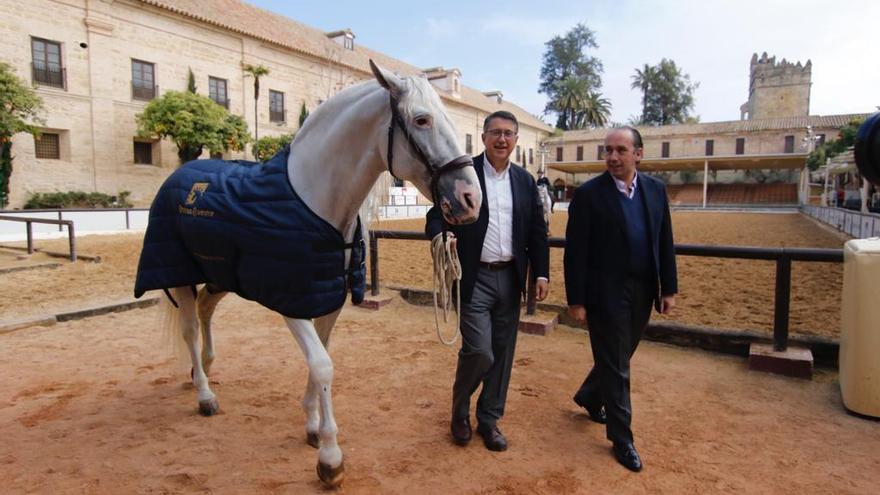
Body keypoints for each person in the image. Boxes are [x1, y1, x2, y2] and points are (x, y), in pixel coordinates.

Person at [426, 110, 550, 452]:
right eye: (495, 132)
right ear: (483, 137)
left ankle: (490, 420)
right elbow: (436, 215)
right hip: (473, 277)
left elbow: (538, 232)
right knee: (480, 352)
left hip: (510, 278)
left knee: (503, 353)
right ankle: (460, 409)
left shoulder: (525, 182)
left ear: (516, 140)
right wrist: (440, 238)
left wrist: (541, 272)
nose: (502, 139)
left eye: (509, 133)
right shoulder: (465, 174)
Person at [563, 126, 678, 472]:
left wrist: (668, 288)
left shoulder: (656, 191)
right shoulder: (589, 195)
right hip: (604, 292)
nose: (612, 157)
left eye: (620, 150)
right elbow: (575, 252)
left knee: (621, 353)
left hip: (643, 289)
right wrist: (576, 300)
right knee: (617, 364)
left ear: (638, 154)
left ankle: (588, 394)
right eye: (608, 150)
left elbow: (664, 241)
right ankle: (622, 438)